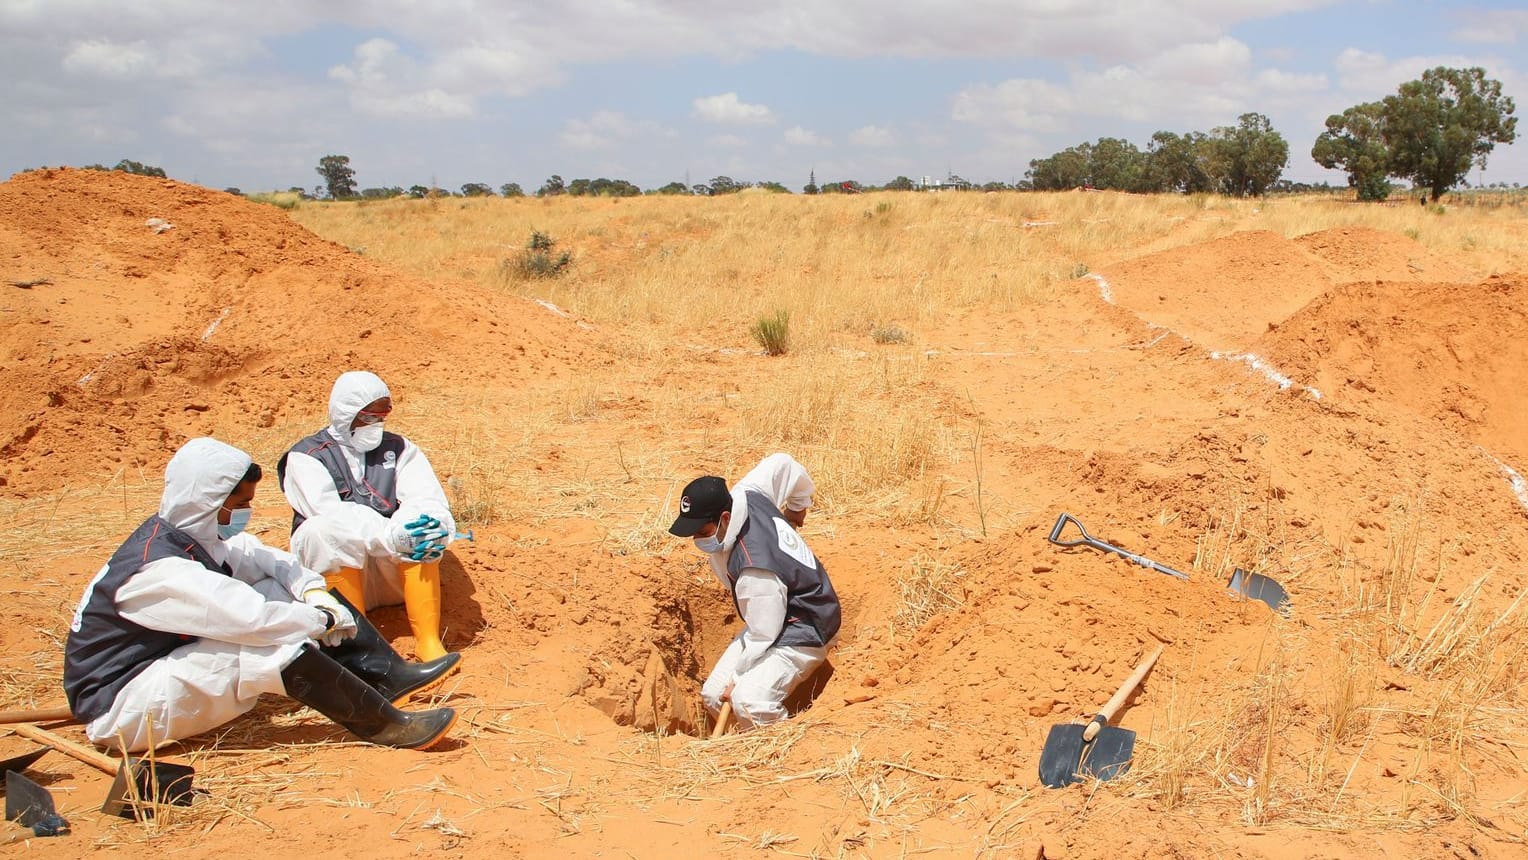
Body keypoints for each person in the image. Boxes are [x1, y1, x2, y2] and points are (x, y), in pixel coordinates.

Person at [63, 437, 459, 753]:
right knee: (264, 647)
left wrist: (312, 591)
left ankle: (385, 676)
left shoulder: (192, 535)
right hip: (122, 707)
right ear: (208, 504)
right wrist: (320, 619)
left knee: (278, 589)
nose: (245, 514)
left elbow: (265, 559)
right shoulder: (158, 572)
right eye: (239, 506)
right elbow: (253, 621)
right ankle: (384, 725)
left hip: (156, 666)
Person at [279, 371, 460, 662]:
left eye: (381, 417)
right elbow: (329, 513)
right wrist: (389, 537)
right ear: (345, 414)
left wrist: (416, 529)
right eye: (367, 417)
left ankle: (428, 642)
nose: (375, 425)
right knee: (319, 531)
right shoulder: (307, 457)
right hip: (343, 574)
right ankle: (357, 649)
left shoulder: (400, 448)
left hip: (394, 573)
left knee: (425, 527)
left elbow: (425, 495)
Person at [668, 453, 841, 730]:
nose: (697, 539)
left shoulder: (754, 569)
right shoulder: (747, 493)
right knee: (713, 695)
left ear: (725, 517)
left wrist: (738, 676)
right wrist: (797, 508)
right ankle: (743, 743)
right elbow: (784, 464)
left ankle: (777, 753)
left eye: (702, 530)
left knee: (749, 701)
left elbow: (765, 633)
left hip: (806, 624)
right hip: (774, 612)